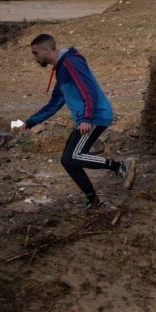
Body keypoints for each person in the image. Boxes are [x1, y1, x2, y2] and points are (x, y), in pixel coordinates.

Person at [20, 34, 135, 209]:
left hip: (95, 116)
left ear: (46, 50)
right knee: (68, 161)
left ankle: (120, 166)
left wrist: (86, 117)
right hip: (85, 118)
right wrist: (30, 122)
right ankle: (93, 199)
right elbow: (55, 103)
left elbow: (88, 89)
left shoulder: (71, 62)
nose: (34, 57)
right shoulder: (61, 69)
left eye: (35, 53)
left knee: (73, 156)